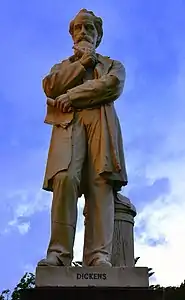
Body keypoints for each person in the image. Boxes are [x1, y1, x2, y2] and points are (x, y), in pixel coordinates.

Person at [38, 8, 128, 267]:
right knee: (65, 179)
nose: (83, 33)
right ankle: (58, 254)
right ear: (72, 34)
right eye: (78, 28)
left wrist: (71, 96)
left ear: (98, 36)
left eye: (89, 28)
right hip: (69, 125)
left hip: (101, 123)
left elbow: (111, 86)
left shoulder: (112, 65)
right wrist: (82, 64)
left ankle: (99, 255)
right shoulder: (63, 67)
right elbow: (52, 86)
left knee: (100, 183)